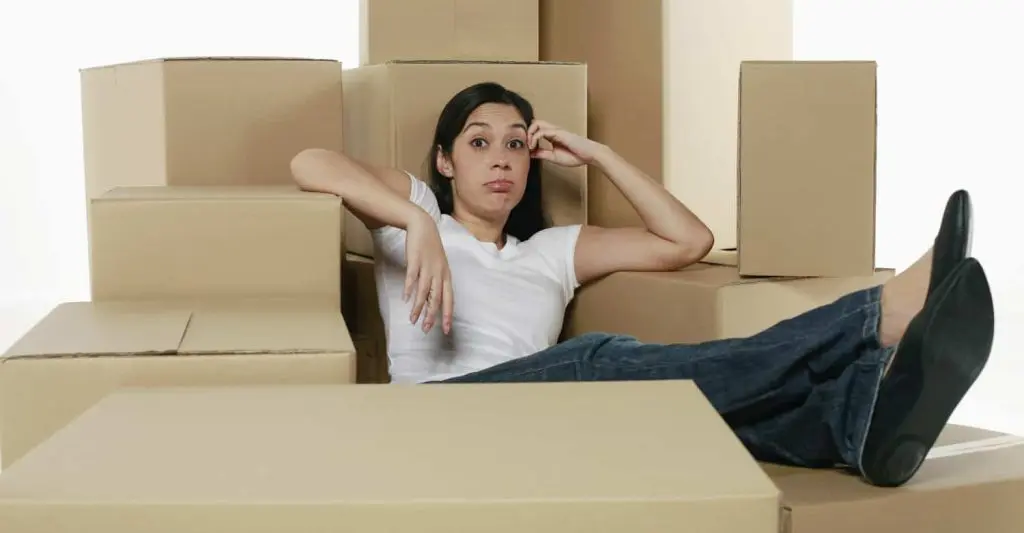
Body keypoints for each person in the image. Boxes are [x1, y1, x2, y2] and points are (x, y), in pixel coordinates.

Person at [290, 81, 995, 489]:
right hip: (434, 423)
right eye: (478, 142)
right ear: (445, 161)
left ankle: (853, 418)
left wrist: (594, 154)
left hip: (536, 432)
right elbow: (309, 160)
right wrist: (414, 221)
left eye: (515, 143)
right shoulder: (412, 213)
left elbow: (686, 240)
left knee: (704, 419)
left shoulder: (551, 251)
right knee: (595, 358)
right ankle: (875, 317)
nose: (500, 158)